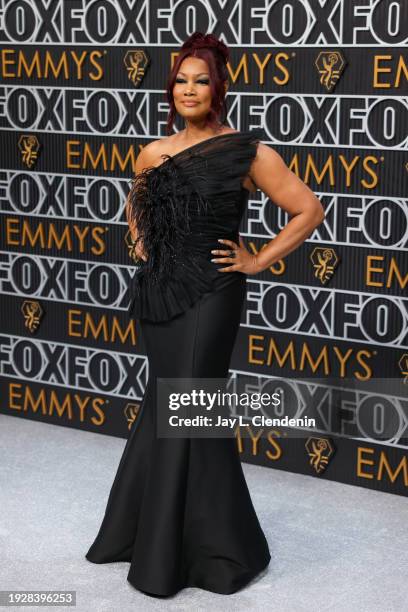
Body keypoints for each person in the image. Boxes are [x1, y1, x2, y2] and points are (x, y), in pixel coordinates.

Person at [85, 31, 325, 597]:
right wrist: (141, 240)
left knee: (192, 405)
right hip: (159, 295)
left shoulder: (249, 152)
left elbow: (308, 208)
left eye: (201, 81)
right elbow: (136, 207)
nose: (189, 90)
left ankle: (210, 550)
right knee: (168, 403)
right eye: (181, 81)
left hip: (214, 292)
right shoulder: (153, 152)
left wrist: (258, 258)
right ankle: (145, 532)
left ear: (218, 88)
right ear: (172, 89)